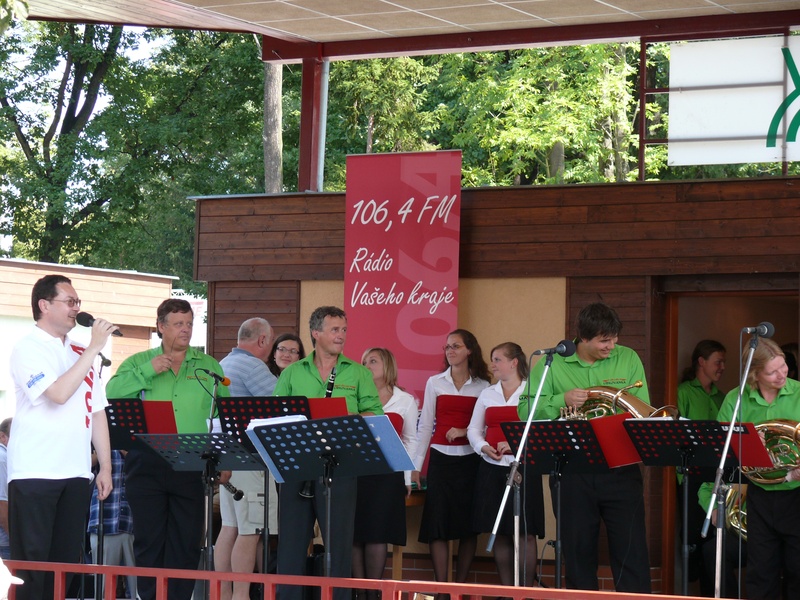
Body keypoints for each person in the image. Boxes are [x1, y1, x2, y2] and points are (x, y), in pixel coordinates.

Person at [518, 302, 651, 593]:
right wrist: (561, 400)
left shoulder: (628, 358)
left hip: (621, 468)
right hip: (572, 471)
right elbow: (524, 409)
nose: (612, 346)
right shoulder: (553, 363)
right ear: (584, 338)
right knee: (577, 554)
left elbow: (642, 410)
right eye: (604, 340)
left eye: (614, 338)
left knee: (632, 552)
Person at [106, 297, 230, 600]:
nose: (185, 329)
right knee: (149, 540)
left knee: (186, 541)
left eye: (189, 323)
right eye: (178, 324)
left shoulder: (209, 366)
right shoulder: (138, 362)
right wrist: (148, 371)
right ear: (161, 327)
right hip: (146, 460)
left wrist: (224, 458)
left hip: (192, 460)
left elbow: (223, 415)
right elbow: (111, 392)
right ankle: (149, 596)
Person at [8, 274, 115, 600]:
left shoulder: (80, 351)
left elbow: (97, 410)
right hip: (35, 471)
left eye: (77, 302)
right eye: (70, 301)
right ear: (44, 305)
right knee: (33, 568)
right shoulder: (28, 347)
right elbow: (57, 393)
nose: (76, 308)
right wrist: (93, 349)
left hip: (76, 471)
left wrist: (106, 466)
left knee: (65, 565)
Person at [273, 306, 382, 600]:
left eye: (344, 330)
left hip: (340, 465)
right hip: (297, 465)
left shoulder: (358, 373)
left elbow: (375, 413)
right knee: (291, 544)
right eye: (335, 329)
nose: (341, 335)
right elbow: (274, 416)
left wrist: (355, 419)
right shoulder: (293, 372)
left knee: (339, 545)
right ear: (316, 333)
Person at [699, 338, 800, 600]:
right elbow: (722, 447)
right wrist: (749, 443)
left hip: (797, 494)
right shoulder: (736, 399)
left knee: (798, 571)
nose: (782, 374)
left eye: (783, 366)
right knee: (760, 573)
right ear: (754, 375)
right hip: (759, 494)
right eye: (772, 372)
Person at [412, 329, 490, 585]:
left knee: (469, 528)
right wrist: (415, 465)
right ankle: (442, 589)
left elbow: (486, 427)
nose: (450, 351)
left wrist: (465, 432)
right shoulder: (435, 382)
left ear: (470, 350)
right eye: (447, 347)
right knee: (437, 525)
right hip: (441, 460)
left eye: (456, 346)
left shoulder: (483, 386)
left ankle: (460, 587)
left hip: (471, 461)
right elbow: (425, 426)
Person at [468, 342, 544, 587]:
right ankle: (507, 590)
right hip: (492, 469)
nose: (493, 365)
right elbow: (473, 429)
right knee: (500, 532)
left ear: (514, 362)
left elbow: (541, 431)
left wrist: (515, 445)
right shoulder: (487, 393)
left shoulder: (532, 391)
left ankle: (526, 591)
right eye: (492, 360)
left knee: (525, 533)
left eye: (497, 359)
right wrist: (483, 447)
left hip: (524, 468)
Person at [216, 317, 279, 600]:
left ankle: (224, 594)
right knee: (251, 529)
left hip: (227, 457)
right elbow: (282, 402)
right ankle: (241, 596)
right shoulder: (253, 366)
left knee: (229, 527)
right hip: (250, 457)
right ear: (262, 340)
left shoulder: (224, 363)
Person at [352, 348, 418, 598]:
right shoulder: (355, 396)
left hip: (388, 474)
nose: (366, 365)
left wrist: (407, 475)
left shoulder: (405, 400)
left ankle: (373, 593)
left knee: (377, 534)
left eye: (373, 361)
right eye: (363, 361)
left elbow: (410, 440)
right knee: (355, 534)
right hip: (356, 471)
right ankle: (358, 592)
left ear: (388, 366)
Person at [676, 339, 727, 596]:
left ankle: (711, 593)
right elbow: (676, 433)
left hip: (717, 475)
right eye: (718, 361)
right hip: (691, 476)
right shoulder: (684, 392)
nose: (722, 367)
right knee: (693, 537)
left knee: (715, 537)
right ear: (701, 362)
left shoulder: (722, 396)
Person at [88, 449, 137, 599]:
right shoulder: (97, 437)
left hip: (136, 523)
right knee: (103, 591)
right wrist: (103, 452)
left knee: (141, 589)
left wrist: (131, 454)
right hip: (105, 520)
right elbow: (82, 462)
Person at [0, 419, 11, 561]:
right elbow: (2, 502)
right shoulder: (2, 458)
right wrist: (13, 539)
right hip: (5, 541)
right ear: (2, 436)